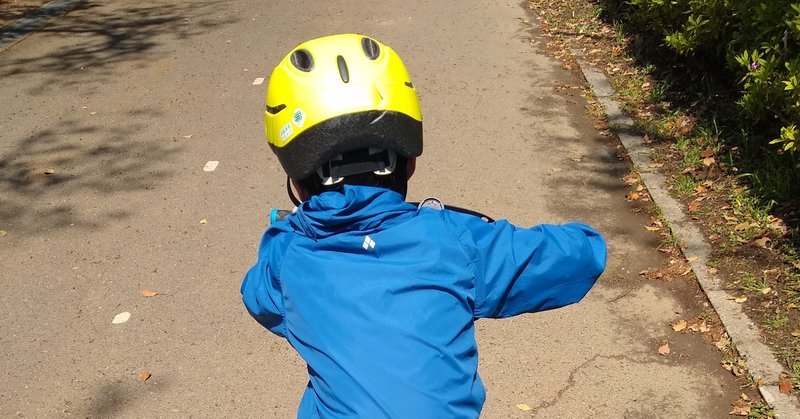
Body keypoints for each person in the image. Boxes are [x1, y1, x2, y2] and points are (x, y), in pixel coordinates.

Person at [241, 33, 607, 418]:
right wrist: (587, 238)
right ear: (409, 161)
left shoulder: (285, 256)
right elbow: (581, 256)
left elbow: (258, 298)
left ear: (296, 182)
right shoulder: (455, 241)